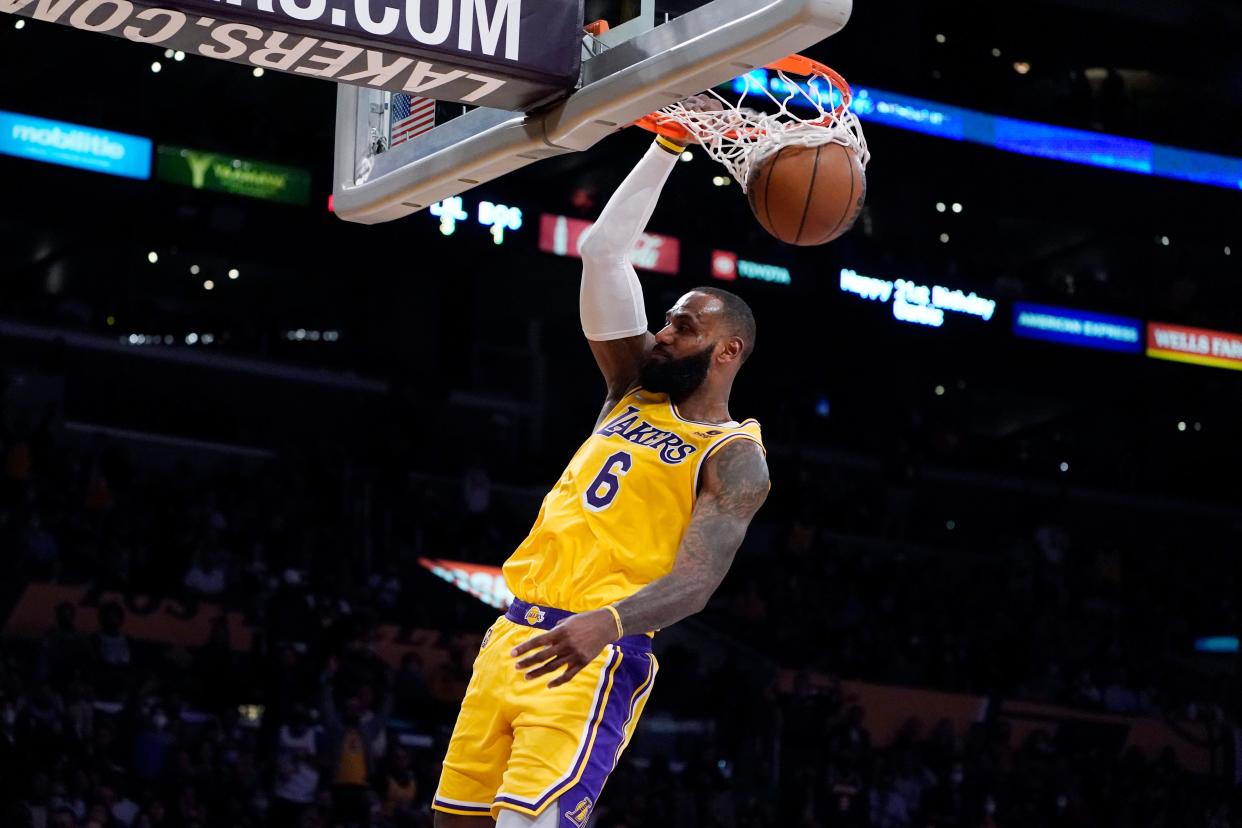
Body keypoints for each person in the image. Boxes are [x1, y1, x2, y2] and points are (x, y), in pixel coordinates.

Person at [432, 116, 770, 827]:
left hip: (592, 653)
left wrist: (606, 625)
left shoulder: (735, 454)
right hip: (510, 640)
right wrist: (668, 142)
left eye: (684, 327)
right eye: (668, 319)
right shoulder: (629, 387)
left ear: (728, 351)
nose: (663, 332)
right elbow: (603, 251)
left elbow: (696, 582)